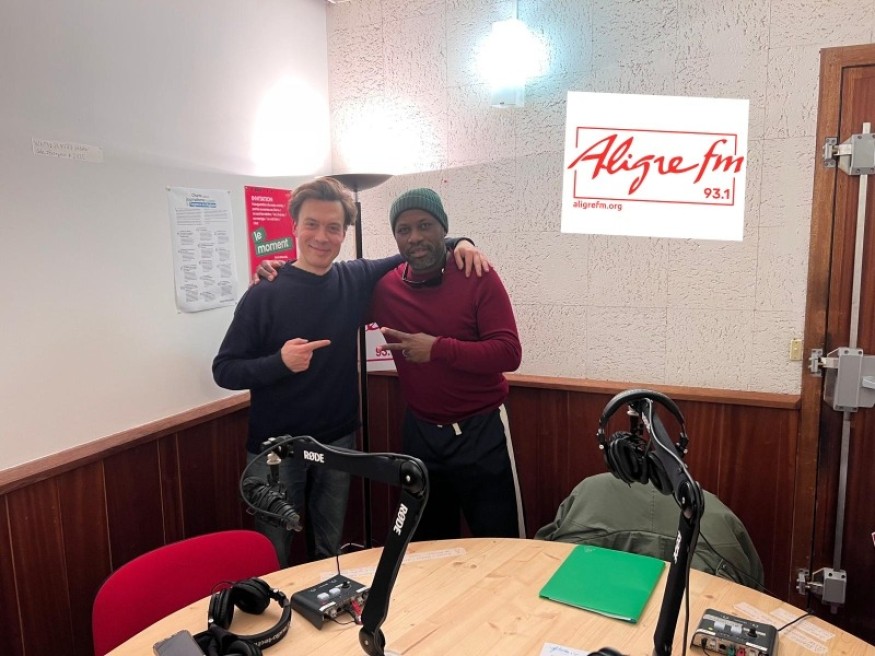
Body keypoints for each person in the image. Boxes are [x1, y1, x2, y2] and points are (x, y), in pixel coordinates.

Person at [213, 177, 486, 566]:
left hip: (338, 443)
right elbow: (224, 370)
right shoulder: (264, 293)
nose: (321, 236)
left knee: (330, 552)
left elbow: (416, 248)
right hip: (276, 449)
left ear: (344, 233)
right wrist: (279, 363)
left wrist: (462, 243)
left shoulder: (354, 278)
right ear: (294, 227)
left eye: (333, 227)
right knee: (273, 554)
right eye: (312, 224)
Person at [372, 188, 526, 541]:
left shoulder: (477, 274)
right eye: (403, 229)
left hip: (481, 431)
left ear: (444, 228)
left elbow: (508, 353)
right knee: (427, 545)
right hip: (420, 432)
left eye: (425, 225)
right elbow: (332, 286)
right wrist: (276, 274)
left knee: (499, 541)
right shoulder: (384, 287)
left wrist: (437, 349)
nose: (415, 237)